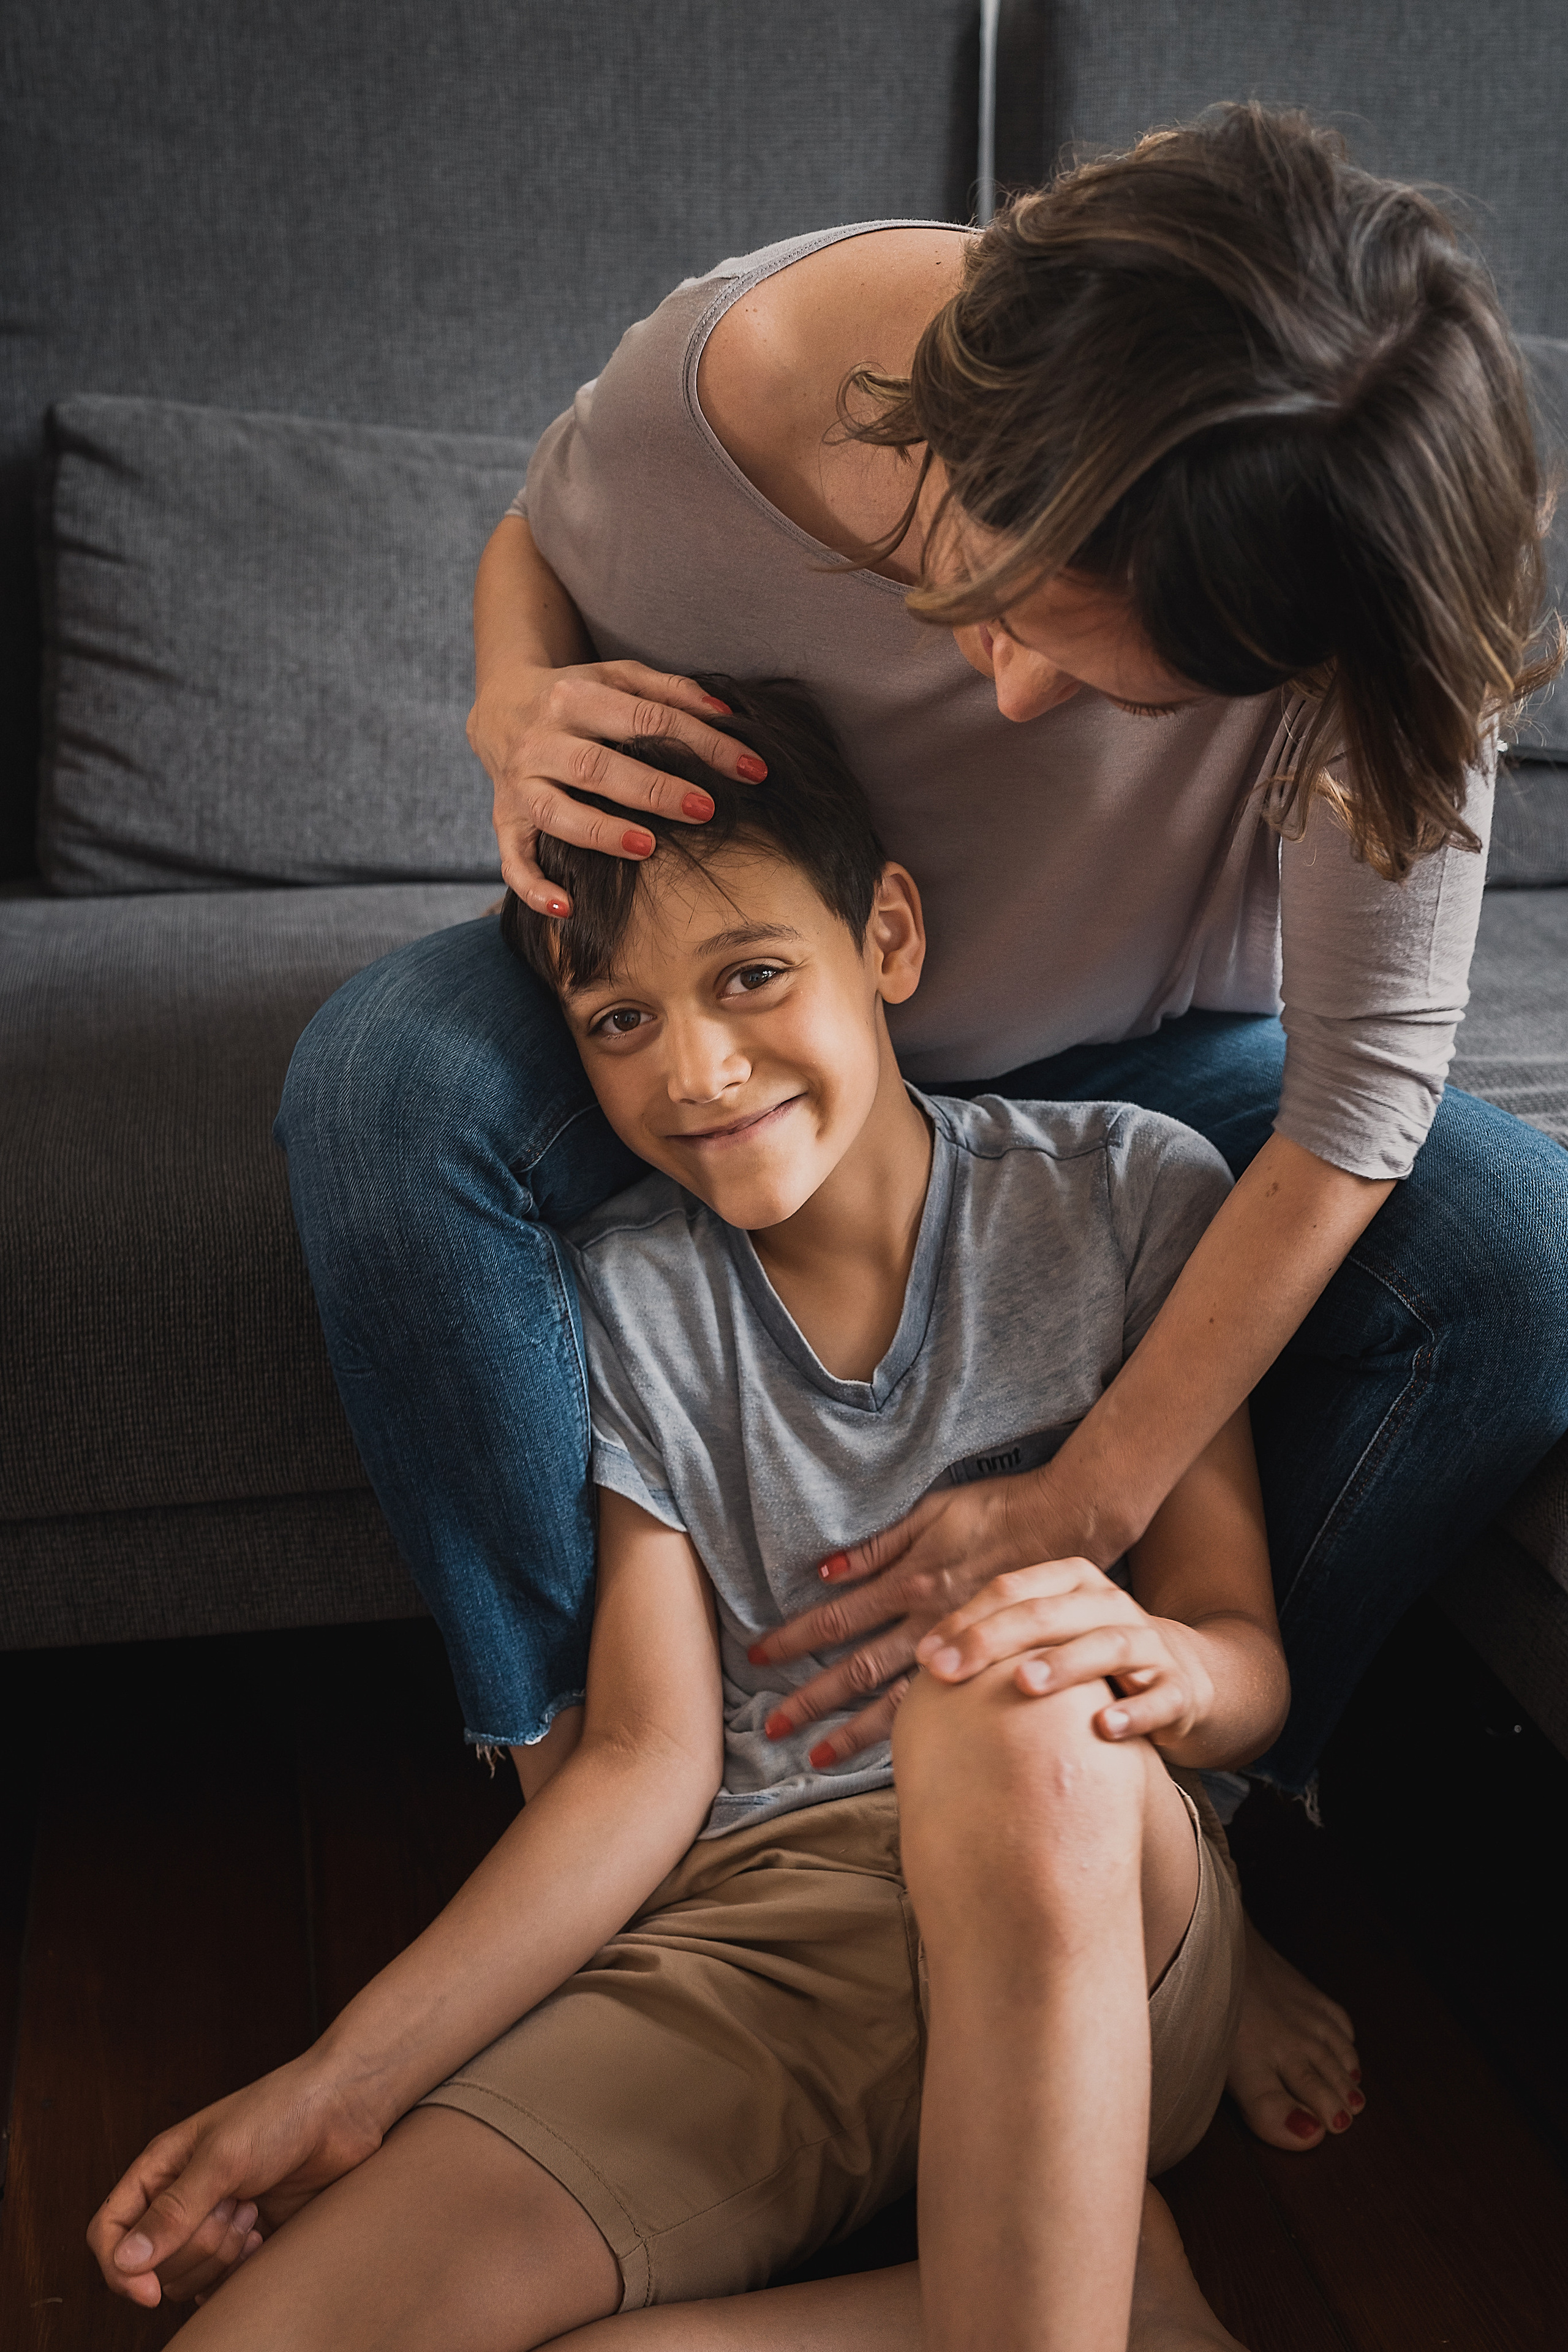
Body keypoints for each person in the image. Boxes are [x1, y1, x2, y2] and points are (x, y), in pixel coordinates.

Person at [274, 105, 1567, 2156]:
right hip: (788, 1000)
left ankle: (1179, 1859)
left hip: (1143, 1049)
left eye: (1119, 682)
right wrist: (515, 703)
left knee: (1518, 1255)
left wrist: (1086, 1501)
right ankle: (612, 1834)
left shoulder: (1369, 569)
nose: (1012, 701)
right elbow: (538, 535)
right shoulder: (752, 377)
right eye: (994, 595)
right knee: (382, 1097)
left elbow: (1356, 1104)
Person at [92, 683, 1286, 2350]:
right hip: (765, 1939)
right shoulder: (628, 1300)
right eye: (620, 1021)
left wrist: (1156, 1656)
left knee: (998, 1706)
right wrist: (334, 2087)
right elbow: (649, 1765)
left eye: (748, 979)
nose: (701, 1071)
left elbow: (1245, 1660)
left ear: (886, 931)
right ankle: (1102, 2297)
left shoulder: (1129, 1192)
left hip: (1085, 1908)